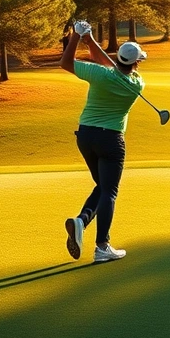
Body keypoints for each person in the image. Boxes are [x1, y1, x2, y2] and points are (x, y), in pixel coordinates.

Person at [59, 21, 148, 263]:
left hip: (86, 136)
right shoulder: (137, 84)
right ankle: (102, 247)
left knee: (102, 186)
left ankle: (82, 220)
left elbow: (66, 63)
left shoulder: (99, 74)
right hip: (111, 139)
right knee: (109, 190)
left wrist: (77, 37)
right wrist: (89, 40)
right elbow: (114, 68)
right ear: (136, 63)